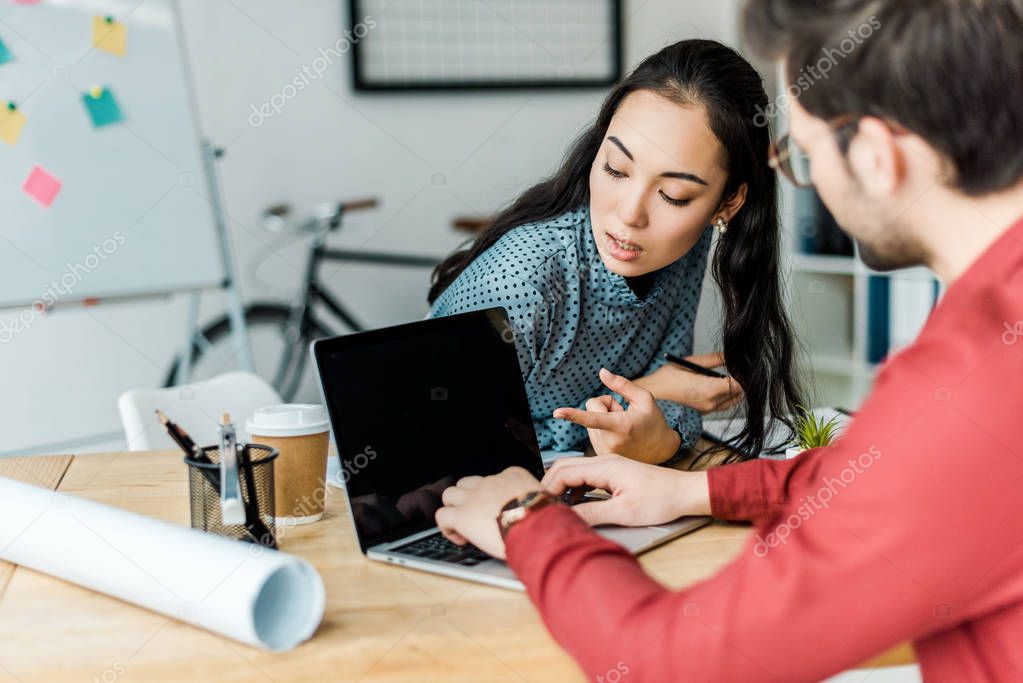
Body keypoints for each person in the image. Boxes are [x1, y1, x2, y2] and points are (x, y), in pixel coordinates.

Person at [434, 1, 1023, 679]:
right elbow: (895, 480)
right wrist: (694, 494)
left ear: (875, 156)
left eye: (801, 155)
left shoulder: (976, 380)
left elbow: (669, 662)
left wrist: (524, 519)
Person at [428, 39, 802, 464]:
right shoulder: (523, 280)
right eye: (615, 169)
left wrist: (656, 416)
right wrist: (653, 392)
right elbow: (440, 437)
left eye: (674, 195)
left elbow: (663, 415)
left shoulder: (686, 243)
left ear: (726, 204)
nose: (629, 215)